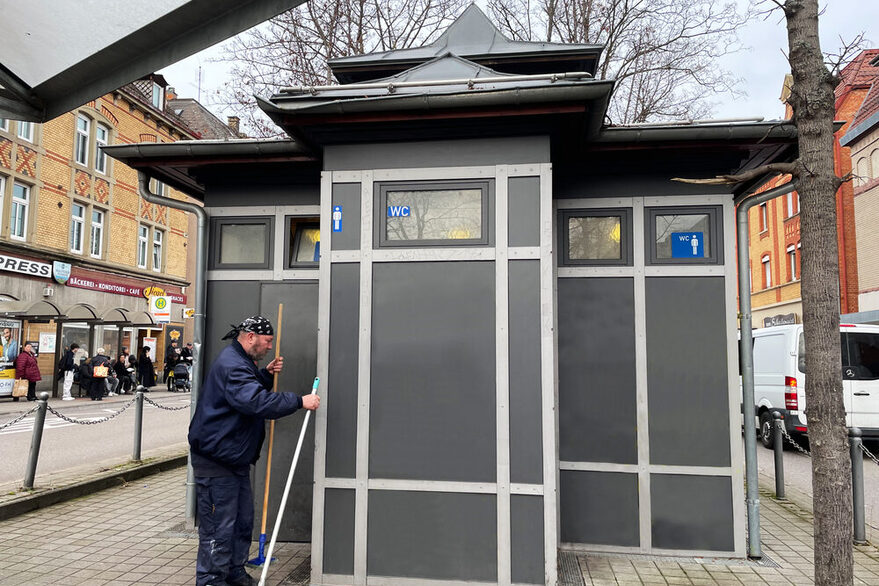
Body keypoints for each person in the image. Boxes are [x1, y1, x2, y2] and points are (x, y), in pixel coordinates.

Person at [188, 315, 320, 586]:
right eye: (267, 341)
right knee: (218, 529)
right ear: (251, 337)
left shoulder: (241, 362)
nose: (270, 347)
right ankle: (212, 580)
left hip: (233, 460)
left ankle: (233, 573)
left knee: (240, 523)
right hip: (216, 463)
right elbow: (254, 401)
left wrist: (264, 374)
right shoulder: (233, 364)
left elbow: (241, 393)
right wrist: (299, 401)